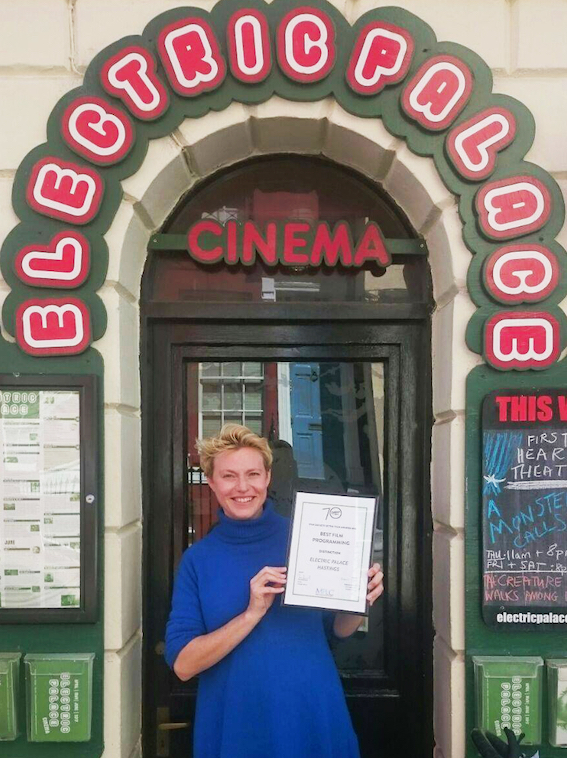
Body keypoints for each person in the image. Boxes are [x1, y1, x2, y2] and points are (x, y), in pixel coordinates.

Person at [165, 424, 384, 758]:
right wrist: (251, 614)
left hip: (310, 713)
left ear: (267, 477)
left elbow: (339, 630)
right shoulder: (198, 560)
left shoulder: (309, 536)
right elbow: (183, 664)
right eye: (228, 476)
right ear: (211, 482)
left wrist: (359, 598)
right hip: (236, 723)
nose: (242, 487)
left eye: (253, 473)